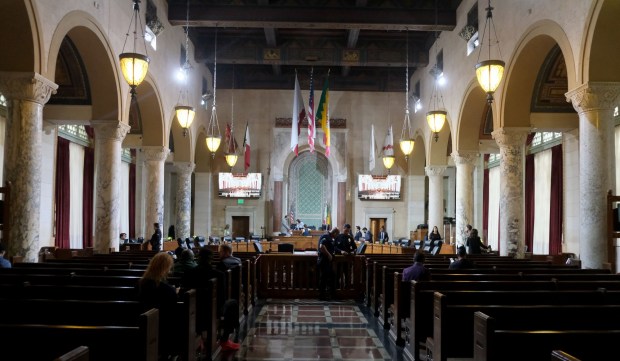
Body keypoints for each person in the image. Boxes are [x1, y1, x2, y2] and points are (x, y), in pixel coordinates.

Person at [181, 248, 240, 352]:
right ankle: (225, 339)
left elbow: (183, 293)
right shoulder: (218, 274)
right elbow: (222, 298)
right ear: (211, 259)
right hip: (212, 310)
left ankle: (202, 338)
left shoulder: (188, 273)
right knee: (233, 303)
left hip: (192, 310)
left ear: (198, 258)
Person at [137, 252, 179, 358]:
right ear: (166, 268)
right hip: (163, 331)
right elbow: (172, 312)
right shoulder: (167, 290)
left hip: (139, 326)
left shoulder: (140, 285)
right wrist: (175, 293)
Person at [317, 227, 339, 300]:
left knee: (331, 276)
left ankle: (330, 294)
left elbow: (332, 247)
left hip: (327, 261)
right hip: (323, 260)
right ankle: (321, 295)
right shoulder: (325, 236)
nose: (337, 236)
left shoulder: (330, 237)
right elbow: (321, 246)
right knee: (323, 278)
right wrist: (329, 254)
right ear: (334, 233)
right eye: (337, 234)